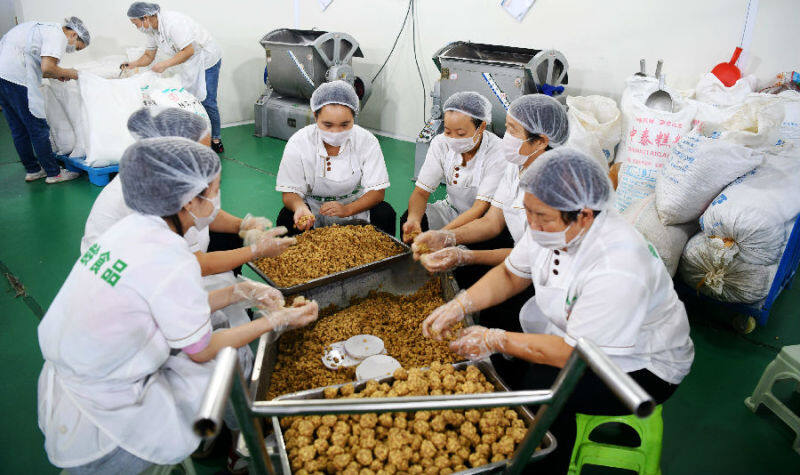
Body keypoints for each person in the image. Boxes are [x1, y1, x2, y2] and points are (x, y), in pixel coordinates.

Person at [37, 137, 319, 474]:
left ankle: (223, 436)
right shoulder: (170, 256)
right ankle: (241, 441)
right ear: (188, 201)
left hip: (77, 376)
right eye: (213, 191)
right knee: (234, 356)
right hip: (111, 417)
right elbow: (201, 350)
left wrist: (238, 292)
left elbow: (163, 306)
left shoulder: (131, 228)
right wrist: (276, 320)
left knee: (224, 326)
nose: (216, 202)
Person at [423, 148, 695, 472]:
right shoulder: (549, 222)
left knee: (541, 391)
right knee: (508, 352)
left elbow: (572, 355)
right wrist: (461, 304)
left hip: (639, 367)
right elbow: (511, 274)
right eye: (528, 212)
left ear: (584, 215)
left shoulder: (617, 266)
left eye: (542, 217)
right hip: (577, 332)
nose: (532, 224)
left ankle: (542, 462)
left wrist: (495, 339)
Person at [412, 94, 569, 332]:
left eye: (513, 131)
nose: (506, 137)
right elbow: (491, 222)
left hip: (549, 275)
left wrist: (466, 256)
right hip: (521, 256)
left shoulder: (552, 188)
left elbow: (529, 258)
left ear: (540, 142)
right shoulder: (517, 165)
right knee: (466, 278)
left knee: (500, 315)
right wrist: (446, 238)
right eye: (506, 128)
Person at [80, 108, 288, 279]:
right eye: (200, 153)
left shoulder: (165, 174)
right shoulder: (148, 197)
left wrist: (242, 225)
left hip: (161, 261)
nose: (207, 159)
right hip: (131, 278)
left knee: (230, 238)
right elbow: (195, 264)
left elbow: (204, 212)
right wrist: (254, 252)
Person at [275, 80, 396, 236]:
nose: (336, 132)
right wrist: (300, 208)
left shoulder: (366, 140)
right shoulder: (299, 142)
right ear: (315, 116)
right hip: (313, 209)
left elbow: (377, 192)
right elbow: (290, 191)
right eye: (328, 125)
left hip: (354, 206)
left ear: (354, 117)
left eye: (345, 125)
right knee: (286, 218)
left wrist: (347, 210)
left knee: (384, 213)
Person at [400, 91, 505, 242]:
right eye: (448, 131)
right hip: (451, 210)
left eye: (461, 134)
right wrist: (413, 220)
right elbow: (421, 192)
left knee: (475, 246)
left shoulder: (497, 152)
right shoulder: (441, 143)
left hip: (484, 218)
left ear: (481, 127)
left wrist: (441, 235)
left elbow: (479, 207)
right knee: (409, 219)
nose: (453, 139)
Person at [122, 2, 225, 153]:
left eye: (135, 23)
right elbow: (149, 55)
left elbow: (189, 50)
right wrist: (132, 64)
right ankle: (196, 137)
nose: (136, 27)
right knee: (189, 99)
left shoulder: (173, 23)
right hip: (190, 62)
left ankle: (216, 139)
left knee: (208, 100)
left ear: (145, 18)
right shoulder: (151, 30)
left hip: (206, 59)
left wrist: (165, 64)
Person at [0, 16, 90, 183]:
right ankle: (53, 173)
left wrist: (58, 74)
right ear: (74, 35)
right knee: (37, 127)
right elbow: (48, 67)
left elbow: (46, 69)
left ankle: (33, 170)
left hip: (3, 76)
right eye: (76, 47)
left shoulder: (45, 28)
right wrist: (71, 73)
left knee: (19, 128)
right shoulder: (58, 35)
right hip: (18, 77)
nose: (71, 50)